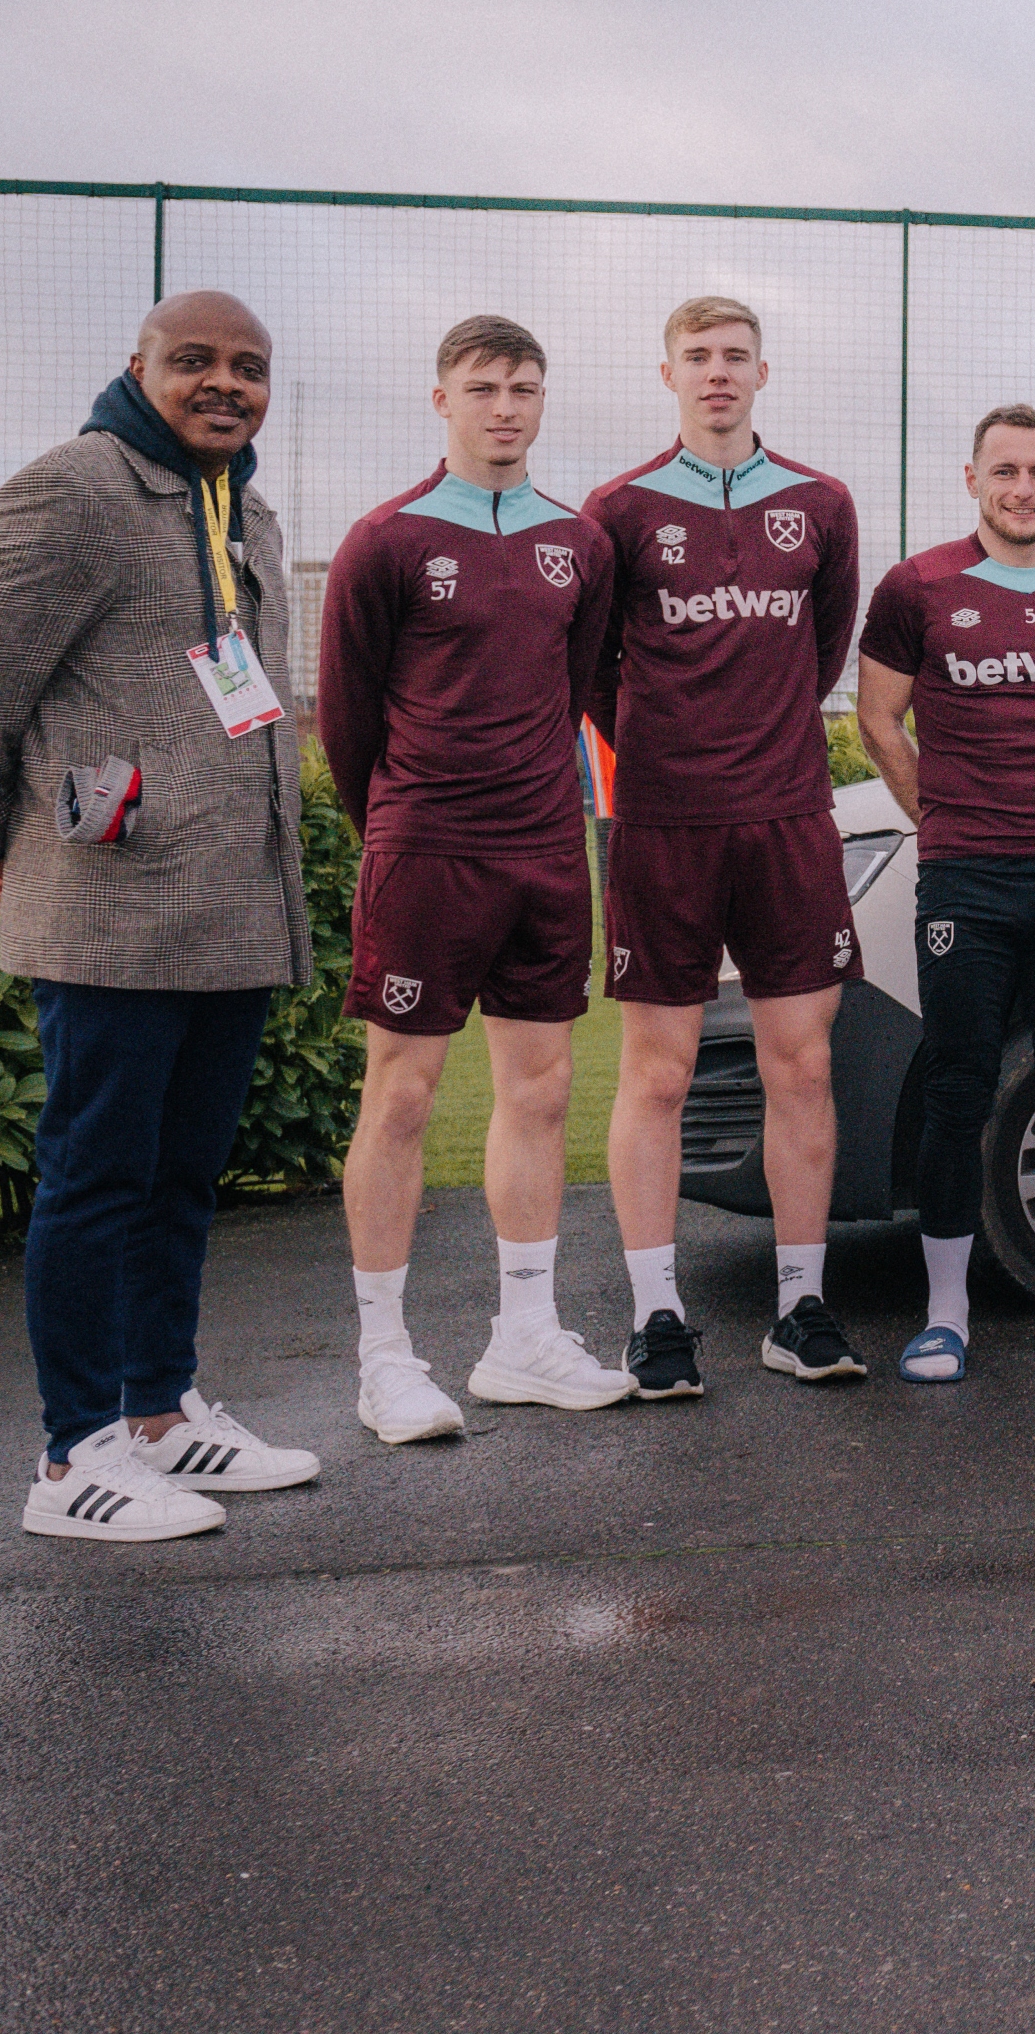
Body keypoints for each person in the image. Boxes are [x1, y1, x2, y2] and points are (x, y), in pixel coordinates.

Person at [0, 290, 323, 1540]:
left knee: (181, 1175)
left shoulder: (240, 508)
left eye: (247, 367)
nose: (224, 383)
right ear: (134, 366)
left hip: (227, 905)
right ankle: (72, 1454)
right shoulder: (75, 490)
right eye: (192, 360)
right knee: (95, 1178)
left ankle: (158, 1414)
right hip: (109, 905)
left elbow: (244, 707)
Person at [318, 316, 636, 1444]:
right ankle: (385, 1356)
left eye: (525, 388)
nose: (506, 406)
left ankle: (523, 1337)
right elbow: (348, 723)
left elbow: (581, 688)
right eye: (484, 386)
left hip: (547, 845)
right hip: (425, 848)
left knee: (542, 1088)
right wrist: (397, 829)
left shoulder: (579, 542)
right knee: (401, 1094)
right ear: (440, 398)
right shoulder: (384, 540)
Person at [585, 297, 864, 1392]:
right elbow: (590, 667)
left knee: (801, 1059)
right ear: (667, 374)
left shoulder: (820, 504)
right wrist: (667, 745)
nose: (716, 373)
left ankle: (801, 1306)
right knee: (658, 1073)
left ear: (762, 372)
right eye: (696, 357)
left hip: (789, 815)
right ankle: (657, 1315)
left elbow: (824, 647)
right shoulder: (618, 508)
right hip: (661, 823)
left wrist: (758, 745)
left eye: (733, 357)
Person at [853, 405, 1035, 1380]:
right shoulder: (916, 586)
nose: (1022, 486)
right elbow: (878, 720)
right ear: (971, 478)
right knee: (958, 1087)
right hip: (964, 877)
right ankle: (945, 1316)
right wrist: (937, 817)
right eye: (1004, 470)